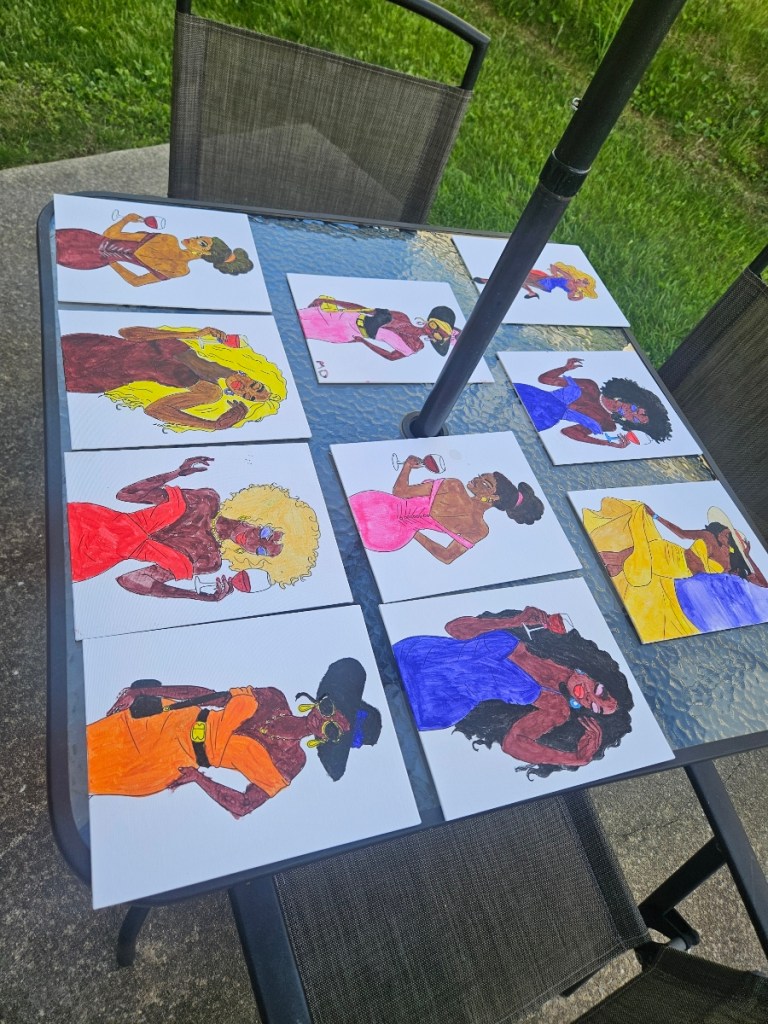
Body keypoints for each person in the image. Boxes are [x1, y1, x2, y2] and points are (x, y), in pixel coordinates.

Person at [87, 659, 382, 818]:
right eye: (328, 708)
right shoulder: (273, 698)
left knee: (85, 780)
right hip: (163, 720)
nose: (321, 719)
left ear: (329, 740)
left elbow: (243, 805)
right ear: (322, 700)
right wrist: (143, 692)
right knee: (79, 743)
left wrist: (198, 779)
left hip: (169, 762)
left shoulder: (291, 763)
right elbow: (208, 697)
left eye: (331, 729)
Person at [393, 606, 632, 778]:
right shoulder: (532, 639)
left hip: (425, 701)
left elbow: (513, 744)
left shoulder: (555, 706)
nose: (589, 699)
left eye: (594, 707)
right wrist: (515, 620)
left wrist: (575, 758)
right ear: (594, 672)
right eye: (600, 692)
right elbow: (455, 628)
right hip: (410, 655)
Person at [68, 455, 319, 600]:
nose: (254, 542)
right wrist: (175, 473)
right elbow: (127, 495)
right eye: (266, 533)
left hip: (86, 558)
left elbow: (131, 581)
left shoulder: (209, 560)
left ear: (253, 559)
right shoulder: (205, 500)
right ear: (261, 512)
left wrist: (197, 596)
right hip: (82, 519)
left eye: (262, 551)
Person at [583, 497, 768, 641]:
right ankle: (610, 561)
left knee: (639, 562)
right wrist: (655, 516)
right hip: (672, 555)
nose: (726, 535)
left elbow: (762, 584)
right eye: (727, 532)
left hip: (681, 573)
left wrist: (749, 556)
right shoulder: (707, 536)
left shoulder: (730, 566)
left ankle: (613, 565)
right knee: (639, 552)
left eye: (730, 536)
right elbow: (681, 533)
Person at [61, 325, 286, 432]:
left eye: (248, 396)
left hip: (96, 374)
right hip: (93, 345)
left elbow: (155, 410)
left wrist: (213, 425)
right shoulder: (192, 346)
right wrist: (192, 334)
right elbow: (129, 334)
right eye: (255, 386)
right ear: (248, 374)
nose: (245, 389)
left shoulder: (209, 391)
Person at [348, 455, 544, 564]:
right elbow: (446, 556)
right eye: (480, 476)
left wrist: (407, 466)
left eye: (485, 483)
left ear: (494, 498)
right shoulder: (480, 529)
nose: (476, 480)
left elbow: (400, 492)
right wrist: (413, 530)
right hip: (391, 537)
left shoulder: (453, 486)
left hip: (377, 506)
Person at [55, 211, 254, 286]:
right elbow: (135, 281)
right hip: (92, 255)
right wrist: (111, 261)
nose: (194, 238)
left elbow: (111, 235)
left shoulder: (170, 246)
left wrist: (126, 219)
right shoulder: (178, 266)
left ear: (206, 254)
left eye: (201, 243)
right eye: (199, 236)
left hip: (90, 252)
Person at [513, 357, 672, 449]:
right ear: (633, 399)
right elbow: (544, 379)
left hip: (541, 419)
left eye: (635, 418)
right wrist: (565, 368)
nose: (630, 413)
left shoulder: (607, 423)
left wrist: (608, 444)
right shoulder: (590, 386)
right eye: (636, 409)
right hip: (530, 396)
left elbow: (570, 432)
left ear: (631, 423)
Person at [298, 296, 461, 360]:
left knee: (300, 331)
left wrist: (364, 342)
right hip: (343, 316)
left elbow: (391, 356)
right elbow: (364, 309)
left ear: (437, 340)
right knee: (296, 315)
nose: (432, 331)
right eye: (434, 325)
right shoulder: (401, 317)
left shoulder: (415, 346)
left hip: (346, 333)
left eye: (438, 335)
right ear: (429, 320)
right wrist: (332, 302)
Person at [473, 262, 597, 302]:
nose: (581, 280)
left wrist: (579, 298)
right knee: (520, 278)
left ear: (584, 286)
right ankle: (531, 292)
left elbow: (570, 298)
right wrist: (555, 273)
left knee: (520, 276)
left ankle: (487, 281)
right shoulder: (570, 277)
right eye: (583, 279)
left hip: (545, 284)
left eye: (584, 282)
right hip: (545, 280)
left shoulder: (573, 289)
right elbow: (554, 267)